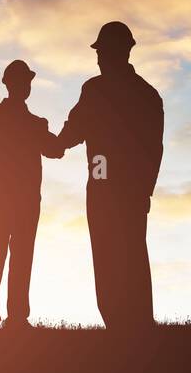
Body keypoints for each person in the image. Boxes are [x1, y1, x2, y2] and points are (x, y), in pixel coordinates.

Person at [53, 21, 164, 331]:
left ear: (120, 52)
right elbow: (155, 148)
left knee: (111, 253)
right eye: (99, 52)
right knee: (129, 251)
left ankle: (123, 323)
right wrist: (145, 190)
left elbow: (76, 127)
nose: (99, 58)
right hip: (125, 188)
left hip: (107, 186)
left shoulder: (98, 90)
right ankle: (136, 323)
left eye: (102, 51)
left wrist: (54, 144)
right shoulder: (147, 94)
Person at [0, 60, 64, 331]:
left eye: (27, 82)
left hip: (16, 201)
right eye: (20, 81)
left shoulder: (24, 122)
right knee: (5, 258)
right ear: (8, 84)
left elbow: (55, 150)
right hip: (11, 201)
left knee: (11, 258)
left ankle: (9, 318)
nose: (24, 86)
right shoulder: (5, 119)